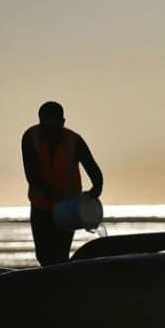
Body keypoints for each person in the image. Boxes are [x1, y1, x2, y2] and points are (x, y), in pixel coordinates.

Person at [22, 101, 104, 266]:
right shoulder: (30, 137)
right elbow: (31, 175)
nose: (51, 130)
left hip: (67, 209)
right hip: (41, 206)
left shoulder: (74, 140)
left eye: (55, 125)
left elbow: (92, 169)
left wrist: (95, 190)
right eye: (47, 126)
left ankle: (62, 285)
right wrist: (51, 193)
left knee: (60, 255)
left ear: (63, 122)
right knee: (43, 255)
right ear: (40, 122)